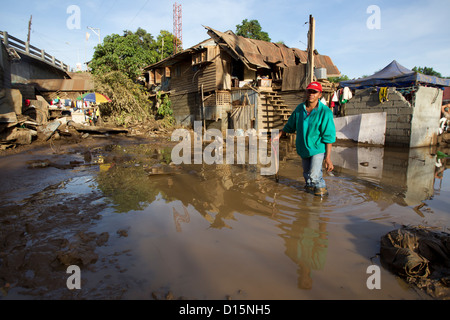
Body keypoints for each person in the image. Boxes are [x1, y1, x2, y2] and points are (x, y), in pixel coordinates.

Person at [272, 81, 336, 196]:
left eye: (314, 92)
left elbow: (329, 136)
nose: (311, 94)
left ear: (319, 94)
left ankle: (322, 195)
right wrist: (280, 134)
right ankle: (309, 198)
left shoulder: (325, 112)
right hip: (303, 147)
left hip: (317, 147)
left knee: (314, 175)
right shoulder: (300, 109)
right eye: (309, 91)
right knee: (307, 174)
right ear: (306, 93)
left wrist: (328, 158)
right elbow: (290, 125)